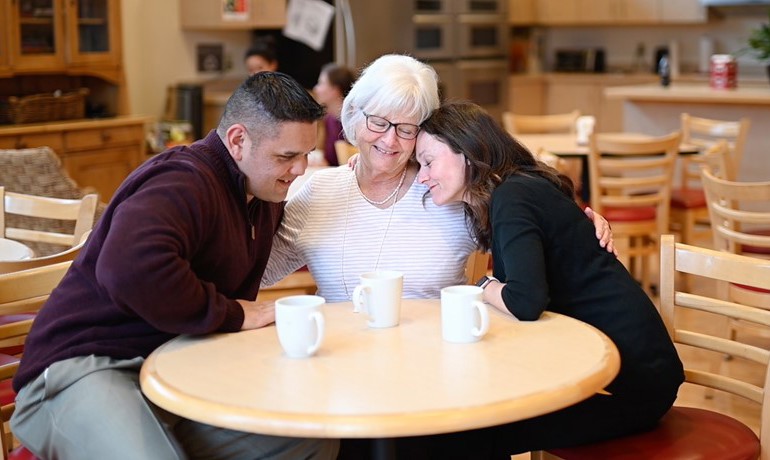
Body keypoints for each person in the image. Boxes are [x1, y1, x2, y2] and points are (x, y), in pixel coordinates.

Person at [10, 72, 338, 460]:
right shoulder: (183, 179)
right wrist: (230, 313)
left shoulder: (262, 195)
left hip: (170, 368)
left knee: (308, 439)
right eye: (286, 156)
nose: (300, 169)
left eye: (305, 154)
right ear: (237, 141)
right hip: (84, 366)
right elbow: (128, 270)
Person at [404, 100, 684, 458]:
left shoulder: (513, 197)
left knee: (469, 431)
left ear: (468, 150)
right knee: (471, 420)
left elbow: (525, 301)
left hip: (628, 385)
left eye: (429, 161)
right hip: (619, 369)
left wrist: (484, 286)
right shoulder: (519, 188)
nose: (423, 176)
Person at [261, 53, 614, 304]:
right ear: (354, 114)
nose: (390, 140)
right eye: (379, 122)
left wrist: (580, 229)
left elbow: (536, 230)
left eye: (407, 128)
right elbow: (255, 271)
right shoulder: (319, 191)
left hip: (437, 367)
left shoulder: (449, 192)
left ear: (426, 133)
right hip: (338, 370)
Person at [313, 63, 357, 166]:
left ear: (335, 90)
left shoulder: (353, 122)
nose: (316, 89)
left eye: (321, 83)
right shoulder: (329, 119)